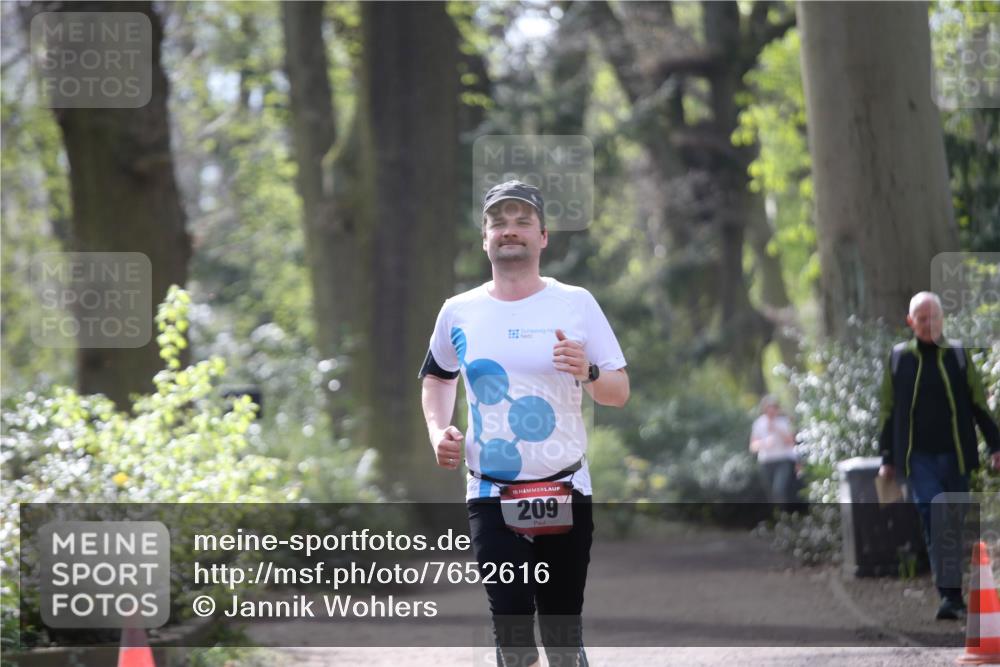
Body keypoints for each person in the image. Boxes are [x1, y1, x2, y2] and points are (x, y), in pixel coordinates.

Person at [419, 180, 629, 667]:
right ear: (484, 239)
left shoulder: (575, 303)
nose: (509, 231)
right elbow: (437, 377)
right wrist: (437, 431)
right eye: (498, 223)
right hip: (491, 491)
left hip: (565, 486)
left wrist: (588, 371)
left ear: (543, 236)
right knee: (512, 637)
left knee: (560, 634)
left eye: (522, 222)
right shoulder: (458, 311)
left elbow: (618, 392)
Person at [877, 291, 1000, 620]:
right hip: (917, 459)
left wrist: (995, 444)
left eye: (933, 317)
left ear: (942, 319)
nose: (928, 323)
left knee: (951, 524)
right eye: (922, 318)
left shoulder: (957, 355)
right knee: (936, 516)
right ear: (910, 322)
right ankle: (949, 596)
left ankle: (953, 595)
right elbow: (887, 410)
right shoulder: (899, 358)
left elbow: (978, 402)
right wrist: (886, 457)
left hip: (955, 455)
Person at [750, 395, 799, 509]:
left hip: (783, 460)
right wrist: (764, 443)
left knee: (779, 489)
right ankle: (779, 514)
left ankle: (785, 513)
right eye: (768, 408)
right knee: (771, 493)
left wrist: (777, 429)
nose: (771, 411)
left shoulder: (784, 422)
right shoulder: (759, 423)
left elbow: (791, 442)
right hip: (766, 462)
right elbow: (752, 446)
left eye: (774, 408)